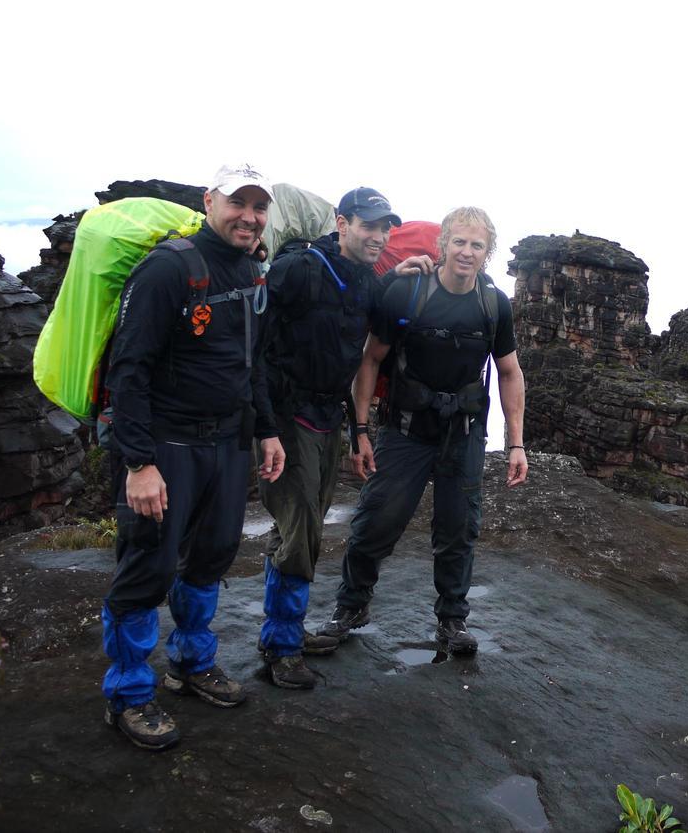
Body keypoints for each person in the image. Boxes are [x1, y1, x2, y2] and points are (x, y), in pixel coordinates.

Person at [101, 163, 286, 750]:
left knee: (211, 556)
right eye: (238, 203)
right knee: (148, 568)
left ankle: (190, 662)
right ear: (210, 202)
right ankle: (128, 694)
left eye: (259, 207)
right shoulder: (168, 268)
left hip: (227, 444)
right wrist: (138, 464)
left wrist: (267, 431)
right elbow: (127, 369)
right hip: (166, 445)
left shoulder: (252, 270)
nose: (249, 217)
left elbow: (252, 362)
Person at [320, 206, 527, 654]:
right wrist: (360, 429)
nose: (466, 252)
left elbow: (509, 372)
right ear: (443, 244)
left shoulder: (493, 305)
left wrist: (516, 443)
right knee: (377, 520)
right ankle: (351, 606)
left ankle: (452, 620)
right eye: (459, 242)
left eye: (477, 245)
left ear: (487, 253)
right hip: (406, 430)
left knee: (458, 529)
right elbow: (371, 359)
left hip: (464, 434)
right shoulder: (408, 292)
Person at [256, 187, 434, 689]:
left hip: (324, 419)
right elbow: (256, 343)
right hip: (286, 418)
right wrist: (264, 426)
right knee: (302, 530)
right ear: (341, 223)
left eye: (384, 228)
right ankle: (282, 648)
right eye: (367, 225)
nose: (378, 236)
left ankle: (282, 632)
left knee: (300, 526)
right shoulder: (300, 268)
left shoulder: (367, 282)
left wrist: (358, 431)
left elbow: (368, 348)